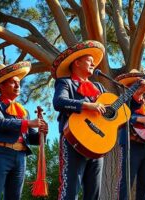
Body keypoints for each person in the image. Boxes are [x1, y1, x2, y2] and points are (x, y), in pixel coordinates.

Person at [0, 61, 48, 200]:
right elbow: (0, 123)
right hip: (0, 154)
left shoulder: (24, 112)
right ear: (1, 85)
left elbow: (32, 138)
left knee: (14, 197)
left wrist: (43, 132)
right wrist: (29, 123)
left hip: (20, 157)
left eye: (19, 82)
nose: (18, 86)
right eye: (12, 82)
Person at [52, 40, 107, 200]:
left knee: (93, 194)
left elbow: (113, 110)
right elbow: (59, 102)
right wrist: (88, 105)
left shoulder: (100, 88)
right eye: (90, 61)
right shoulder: (65, 82)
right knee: (70, 190)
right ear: (77, 62)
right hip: (73, 140)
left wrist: (136, 90)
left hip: (97, 143)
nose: (94, 65)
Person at [115, 69, 145, 200]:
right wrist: (137, 119)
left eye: (139, 82)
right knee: (126, 182)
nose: (139, 85)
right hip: (130, 143)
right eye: (135, 83)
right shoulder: (122, 101)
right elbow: (117, 116)